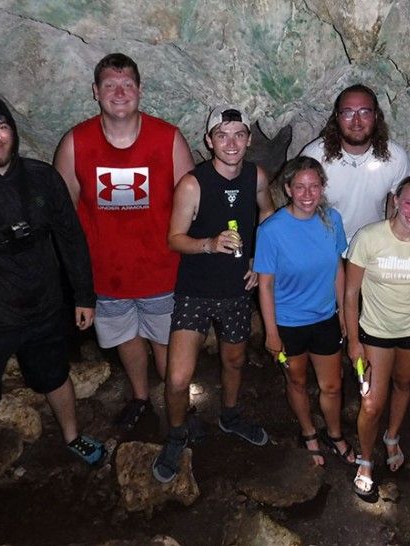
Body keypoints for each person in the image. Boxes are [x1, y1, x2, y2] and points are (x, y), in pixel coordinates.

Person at [0, 94, 105, 526]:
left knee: (56, 376)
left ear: (13, 131)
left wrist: (84, 295)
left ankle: (73, 437)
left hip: (43, 308)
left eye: (2, 128)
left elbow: (71, 237)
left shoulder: (42, 177)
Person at [54, 53, 195, 431]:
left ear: (140, 90)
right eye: (111, 85)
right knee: (127, 340)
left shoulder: (168, 138)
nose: (120, 93)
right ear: (95, 92)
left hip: (163, 269)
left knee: (167, 345)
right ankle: (140, 397)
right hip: (106, 274)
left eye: (128, 84)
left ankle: (176, 399)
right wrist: (75, 278)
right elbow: (62, 211)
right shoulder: (75, 143)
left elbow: (193, 199)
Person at [152, 105, 274, 483]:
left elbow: (268, 214)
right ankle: (176, 434)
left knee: (234, 361)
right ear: (209, 141)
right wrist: (208, 243)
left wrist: (260, 258)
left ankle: (230, 416)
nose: (232, 142)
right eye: (222, 135)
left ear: (249, 139)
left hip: (237, 290)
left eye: (239, 134)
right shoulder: (193, 183)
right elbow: (174, 239)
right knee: (177, 378)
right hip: (196, 291)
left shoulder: (255, 176)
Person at [256, 156, 355, 469]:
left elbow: (338, 267)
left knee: (332, 384)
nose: (308, 193)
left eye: (314, 186)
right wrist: (271, 333)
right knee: (297, 381)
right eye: (300, 187)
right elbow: (265, 285)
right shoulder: (272, 230)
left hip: (324, 317)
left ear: (323, 187)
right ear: (288, 189)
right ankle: (309, 432)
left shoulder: (332, 220)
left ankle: (335, 433)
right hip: (288, 323)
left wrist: (341, 312)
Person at [343, 175, 410, 497]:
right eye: (408, 202)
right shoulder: (369, 237)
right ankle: (366, 459)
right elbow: (351, 292)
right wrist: (353, 341)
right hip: (376, 333)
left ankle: (392, 436)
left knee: (404, 384)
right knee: (371, 404)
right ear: (396, 200)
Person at [301, 84, 410, 245]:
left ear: (375, 116)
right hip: (324, 243)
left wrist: (392, 241)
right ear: (337, 117)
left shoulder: (395, 156)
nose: (356, 121)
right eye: (348, 113)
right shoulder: (315, 156)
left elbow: (402, 201)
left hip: (373, 243)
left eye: (364, 112)